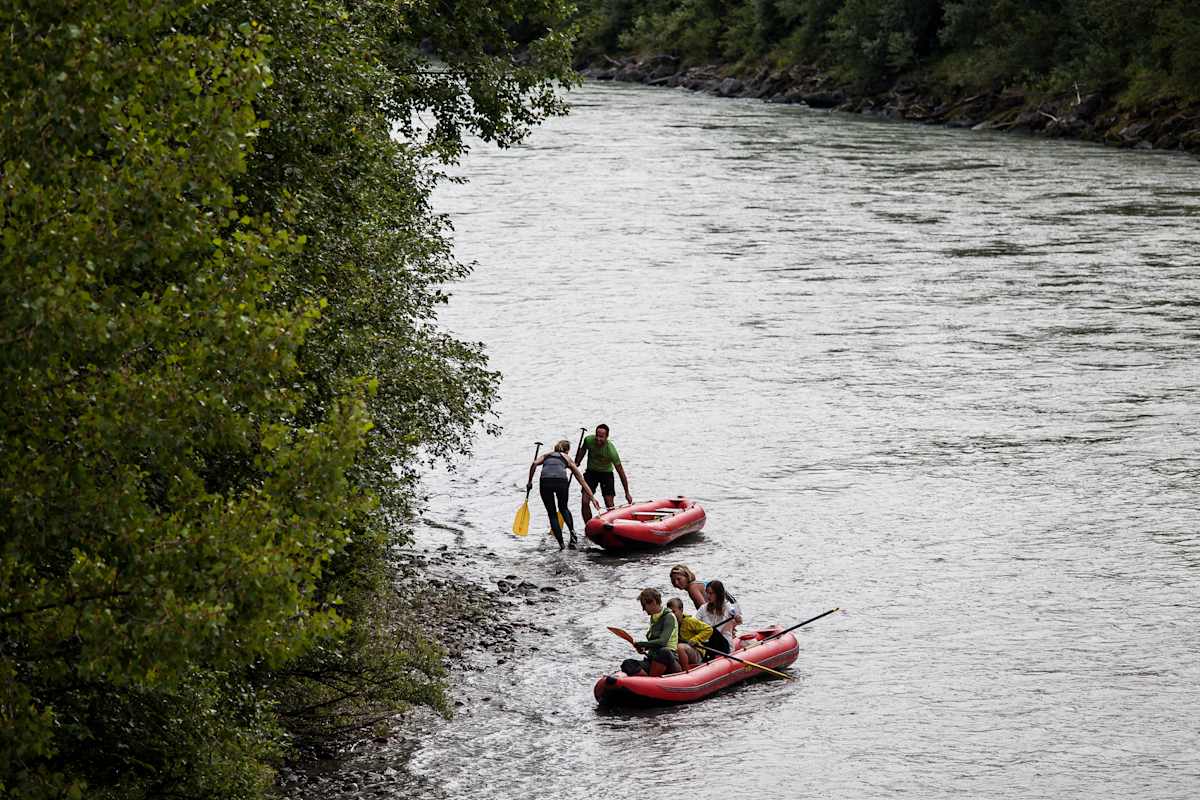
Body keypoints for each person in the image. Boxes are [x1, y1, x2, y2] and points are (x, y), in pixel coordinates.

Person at [528, 439, 599, 550]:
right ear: (567, 450)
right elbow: (581, 480)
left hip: (545, 482)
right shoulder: (567, 458)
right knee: (563, 508)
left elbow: (534, 463)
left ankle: (561, 545)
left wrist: (530, 481)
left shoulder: (547, 455)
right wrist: (592, 498)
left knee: (552, 514)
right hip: (561, 482)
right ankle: (572, 532)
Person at [574, 423, 632, 525]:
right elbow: (583, 450)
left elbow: (621, 472)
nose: (598, 439)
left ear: (606, 437)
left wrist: (626, 492)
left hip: (606, 474)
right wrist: (577, 462)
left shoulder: (611, 450)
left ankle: (612, 525)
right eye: (597, 435)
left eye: (601, 437)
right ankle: (588, 526)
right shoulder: (588, 440)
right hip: (591, 473)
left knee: (609, 504)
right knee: (585, 501)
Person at [620, 588, 680, 677]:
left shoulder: (669, 617)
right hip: (653, 659)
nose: (643, 609)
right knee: (627, 664)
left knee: (663, 651)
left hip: (668, 658)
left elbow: (662, 642)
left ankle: (652, 679)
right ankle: (648, 680)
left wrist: (643, 644)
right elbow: (653, 644)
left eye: (644, 606)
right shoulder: (653, 617)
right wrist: (645, 648)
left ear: (653, 602)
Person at [694, 580, 742, 654]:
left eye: (711, 593)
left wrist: (736, 619)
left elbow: (739, 620)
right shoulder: (703, 608)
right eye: (707, 593)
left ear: (718, 594)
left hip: (724, 645)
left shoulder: (728, 607)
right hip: (708, 644)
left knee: (714, 632)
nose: (707, 596)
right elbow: (694, 623)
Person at [666, 597, 713, 670]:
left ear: (681, 610)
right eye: (669, 612)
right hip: (678, 653)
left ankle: (685, 670)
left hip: (695, 652)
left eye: (674, 612)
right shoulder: (669, 623)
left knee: (680, 647)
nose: (672, 615)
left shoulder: (689, 621)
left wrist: (695, 639)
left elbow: (708, 629)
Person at [669, 564, 737, 610]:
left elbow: (704, 611)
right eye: (673, 581)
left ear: (687, 576)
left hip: (728, 609)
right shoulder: (697, 584)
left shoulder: (692, 588)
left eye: (679, 579)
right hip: (733, 606)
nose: (676, 583)